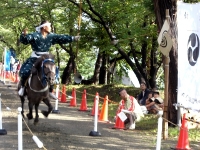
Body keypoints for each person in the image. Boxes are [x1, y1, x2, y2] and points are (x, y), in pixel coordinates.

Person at [18, 20, 80, 98]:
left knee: (54, 71)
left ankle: (50, 90)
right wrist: (23, 35)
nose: (50, 28)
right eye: (49, 26)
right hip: (35, 57)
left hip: (46, 58)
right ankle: (23, 87)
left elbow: (61, 37)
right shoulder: (34, 35)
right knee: (25, 72)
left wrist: (73, 38)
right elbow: (26, 39)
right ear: (44, 27)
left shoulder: (51, 36)